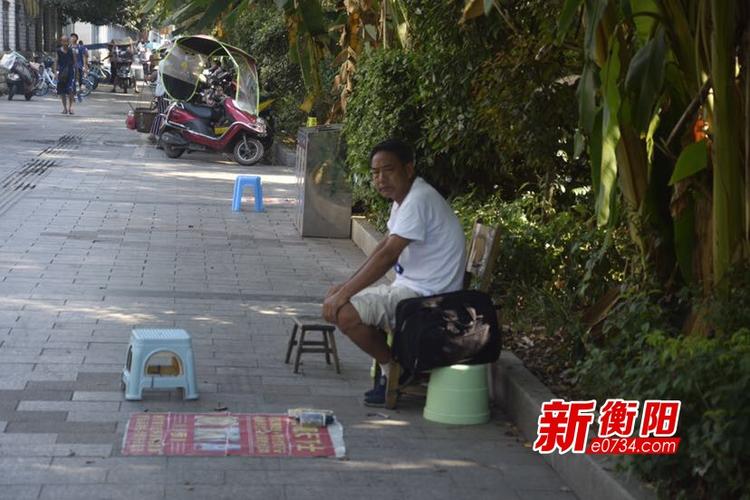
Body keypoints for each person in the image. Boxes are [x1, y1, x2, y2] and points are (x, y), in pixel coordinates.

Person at [321, 139, 467, 406]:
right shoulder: (405, 199)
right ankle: (397, 369)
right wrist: (345, 287)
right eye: (375, 173)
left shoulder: (418, 200)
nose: (380, 178)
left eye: (388, 170)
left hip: (427, 298)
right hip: (413, 289)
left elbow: (388, 256)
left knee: (346, 314)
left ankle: (394, 372)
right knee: (341, 300)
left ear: (408, 169)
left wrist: (344, 296)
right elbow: (382, 249)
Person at [55, 35, 76, 115]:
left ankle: (71, 107)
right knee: (62, 92)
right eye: (63, 41)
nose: (64, 43)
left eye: (66, 41)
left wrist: (76, 75)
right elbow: (56, 61)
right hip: (61, 73)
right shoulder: (58, 51)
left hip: (70, 73)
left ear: (68, 42)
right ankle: (64, 108)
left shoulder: (72, 51)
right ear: (61, 42)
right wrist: (55, 72)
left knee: (70, 89)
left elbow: (75, 63)